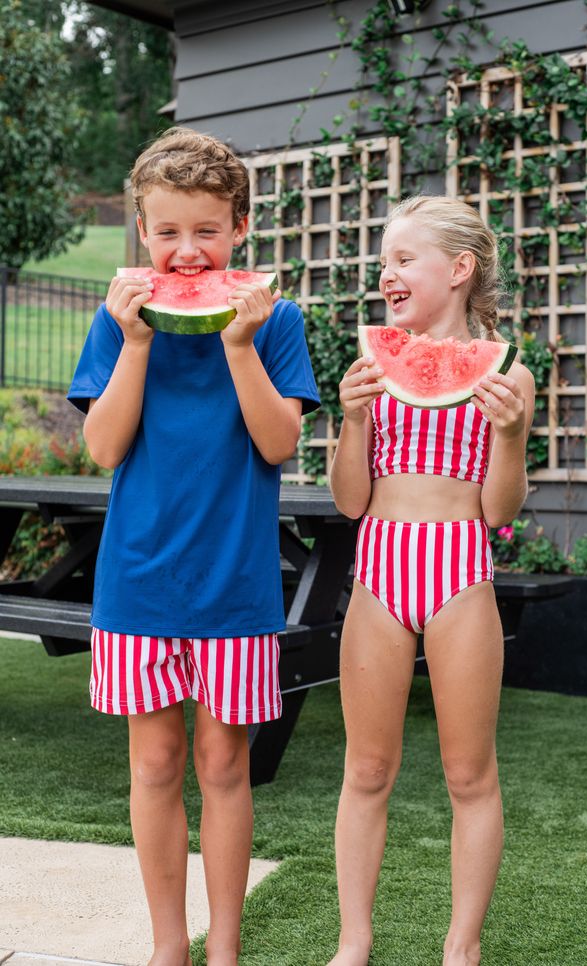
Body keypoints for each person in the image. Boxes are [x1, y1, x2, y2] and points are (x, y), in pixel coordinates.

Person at [67, 126, 319, 966]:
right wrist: (137, 342)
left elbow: (278, 442)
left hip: (235, 586)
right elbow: (105, 447)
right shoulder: (117, 325)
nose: (186, 253)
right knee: (154, 764)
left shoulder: (275, 322)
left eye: (206, 231)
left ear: (240, 228)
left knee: (223, 764)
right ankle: (168, 947)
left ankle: (226, 951)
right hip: (138, 583)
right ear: (142, 230)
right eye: (167, 231)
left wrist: (239, 346)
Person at [328, 195, 535, 966]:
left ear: (459, 268)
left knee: (469, 774)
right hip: (380, 569)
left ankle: (462, 946)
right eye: (384, 261)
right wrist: (352, 420)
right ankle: (354, 939)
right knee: (366, 768)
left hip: (460, 573)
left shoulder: (509, 373)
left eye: (404, 259)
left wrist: (510, 434)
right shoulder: (370, 370)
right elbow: (351, 501)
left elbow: (498, 510)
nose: (387, 274)